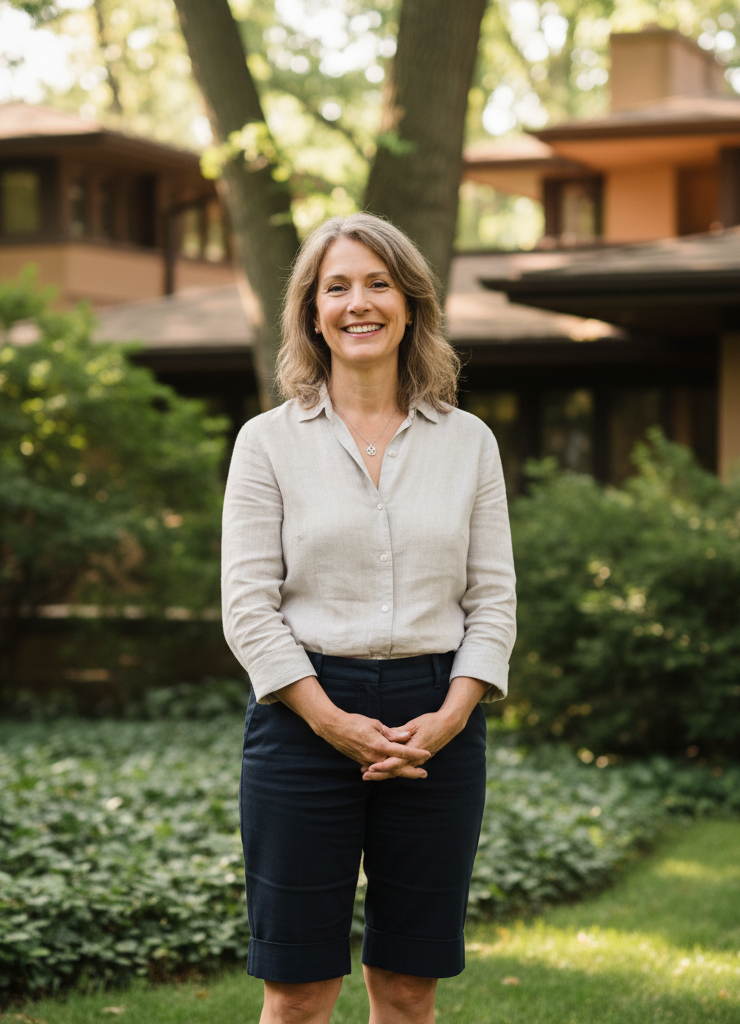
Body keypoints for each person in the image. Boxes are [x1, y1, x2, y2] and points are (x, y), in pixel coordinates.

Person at [221, 212, 516, 1024]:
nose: (359, 303)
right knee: (300, 990)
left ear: (410, 304)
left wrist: (451, 717)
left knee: (408, 986)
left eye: (378, 283)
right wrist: (331, 719)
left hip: (437, 722)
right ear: (312, 313)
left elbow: (492, 602)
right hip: (299, 719)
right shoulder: (266, 444)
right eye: (337, 286)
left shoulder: (470, 445)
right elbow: (248, 608)